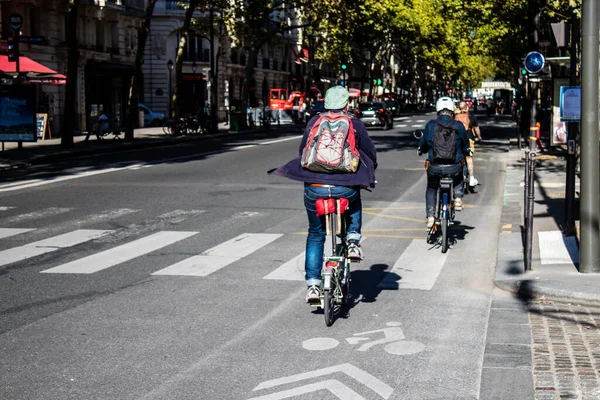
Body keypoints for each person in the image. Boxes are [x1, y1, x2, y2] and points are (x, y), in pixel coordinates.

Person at [269, 86, 377, 303]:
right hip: (344, 186)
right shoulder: (354, 123)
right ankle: (353, 240)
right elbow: (369, 150)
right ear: (347, 104)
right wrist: (370, 169)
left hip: (315, 186)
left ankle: (313, 286)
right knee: (355, 198)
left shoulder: (313, 122)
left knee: (316, 233)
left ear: (325, 103)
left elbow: (303, 151)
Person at [418, 96, 470, 229]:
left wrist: (421, 149)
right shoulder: (458, 125)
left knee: (432, 187)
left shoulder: (431, 125)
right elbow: (465, 144)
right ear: (453, 109)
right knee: (459, 173)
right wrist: (467, 150)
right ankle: (458, 198)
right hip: (453, 167)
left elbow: (424, 143)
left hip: (434, 166)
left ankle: (430, 217)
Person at [455, 101, 482, 187]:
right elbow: (476, 128)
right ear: (467, 108)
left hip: (458, 139)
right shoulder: (471, 117)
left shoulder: (455, 117)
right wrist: (479, 137)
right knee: (469, 157)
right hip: (468, 138)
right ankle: (472, 178)